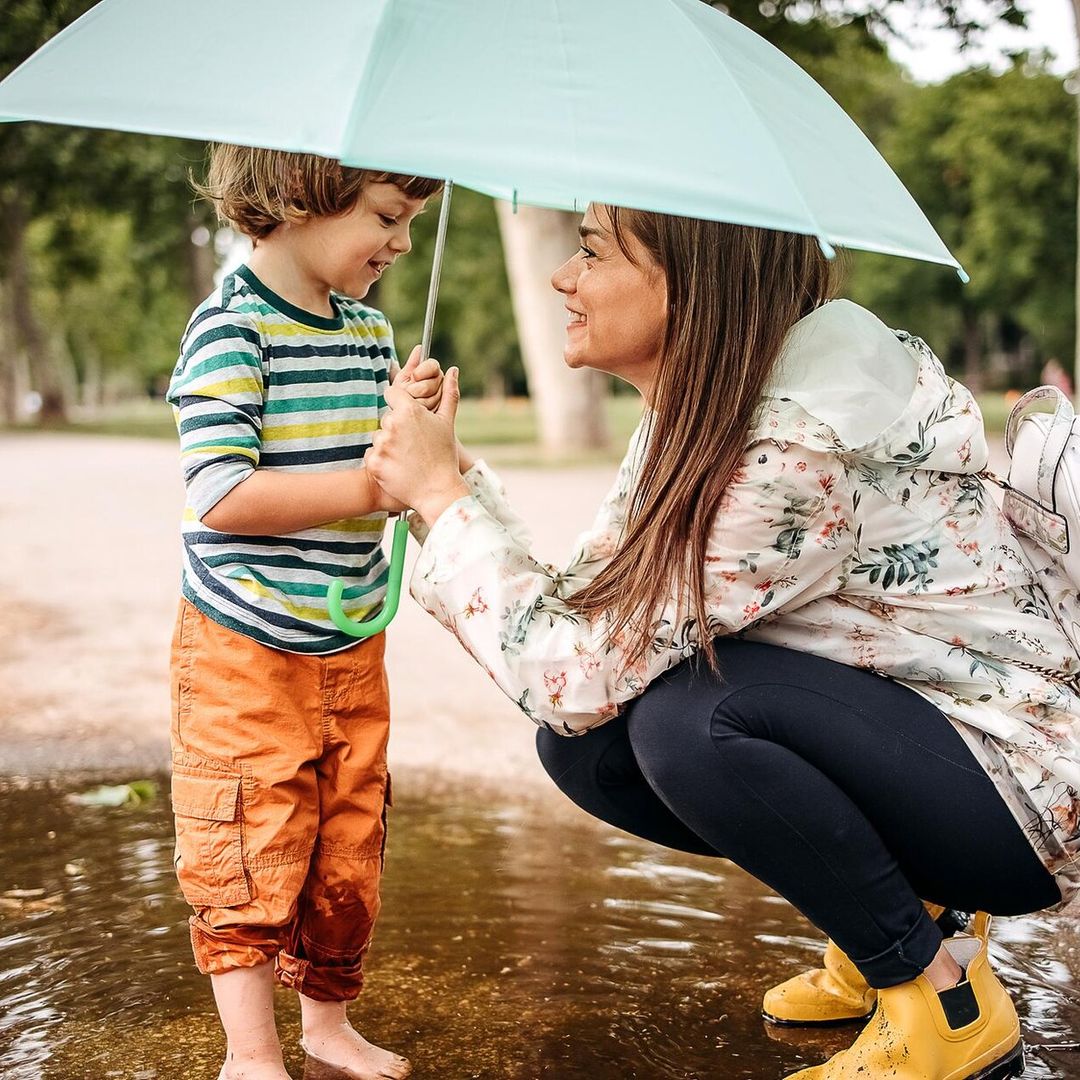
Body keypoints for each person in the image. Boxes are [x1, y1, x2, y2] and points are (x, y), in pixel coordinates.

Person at [366, 204, 1080, 1080]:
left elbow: (573, 673)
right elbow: (594, 618)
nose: (564, 278)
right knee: (591, 751)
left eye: (589, 253)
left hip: (1015, 797)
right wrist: (459, 475)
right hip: (929, 749)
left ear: (685, 278)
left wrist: (443, 503)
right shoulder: (707, 408)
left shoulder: (795, 447)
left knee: (692, 723)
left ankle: (945, 1008)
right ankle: (903, 929)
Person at [165, 144, 444, 1080]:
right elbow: (222, 493)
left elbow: (394, 469)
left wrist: (414, 430)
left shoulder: (369, 333)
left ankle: (327, 1027)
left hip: (351, 632)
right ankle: (251, 1052)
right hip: (246, 634)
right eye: (385, 216)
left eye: (410, 222)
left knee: (349, 836)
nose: (403, 242)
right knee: (249, 827)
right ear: (296, 196)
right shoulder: (230, 329)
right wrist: (372, 476)